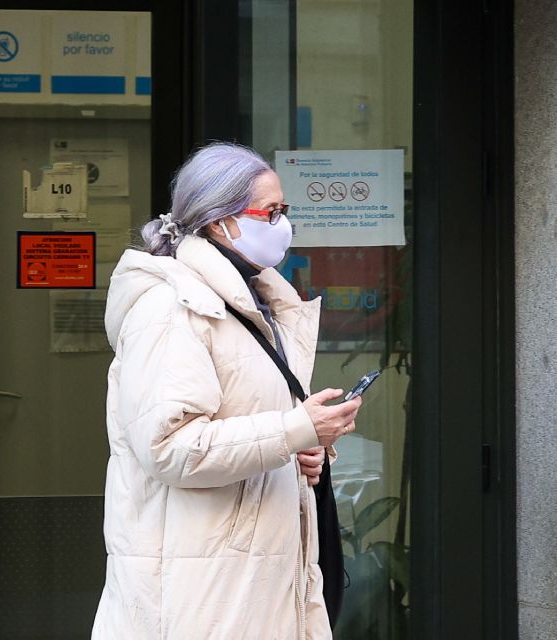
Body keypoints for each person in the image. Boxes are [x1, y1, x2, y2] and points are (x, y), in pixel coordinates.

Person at [92, 142, 361, 640]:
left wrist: (300, 449)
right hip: (199, 597)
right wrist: (293, 430)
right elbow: (169, 447)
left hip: (250, 585)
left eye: (286, 211)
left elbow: (254, 429)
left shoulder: (252, 304)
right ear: (220, 222)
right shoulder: (172, 309)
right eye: (271, 212)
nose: (284, 224)